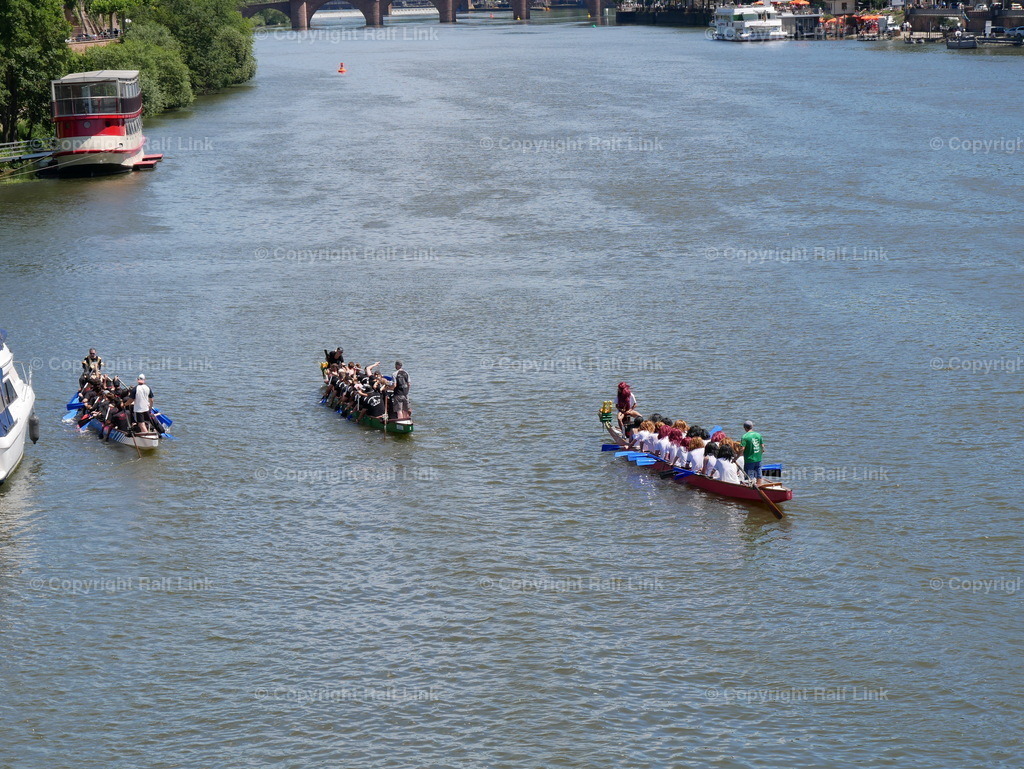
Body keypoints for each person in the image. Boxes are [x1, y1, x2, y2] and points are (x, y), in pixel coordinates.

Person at [740, 420, 765, 486]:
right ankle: (759, 486)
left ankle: (749, 490)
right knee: (759, 475)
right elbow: (762, 447)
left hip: (749, 460)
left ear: (744, 427)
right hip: (758, 459)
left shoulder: (744, 436)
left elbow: (742, 449)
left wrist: (736, 457)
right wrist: (760, 454)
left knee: (749, 478)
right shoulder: (758, 435)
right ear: (752, 426)